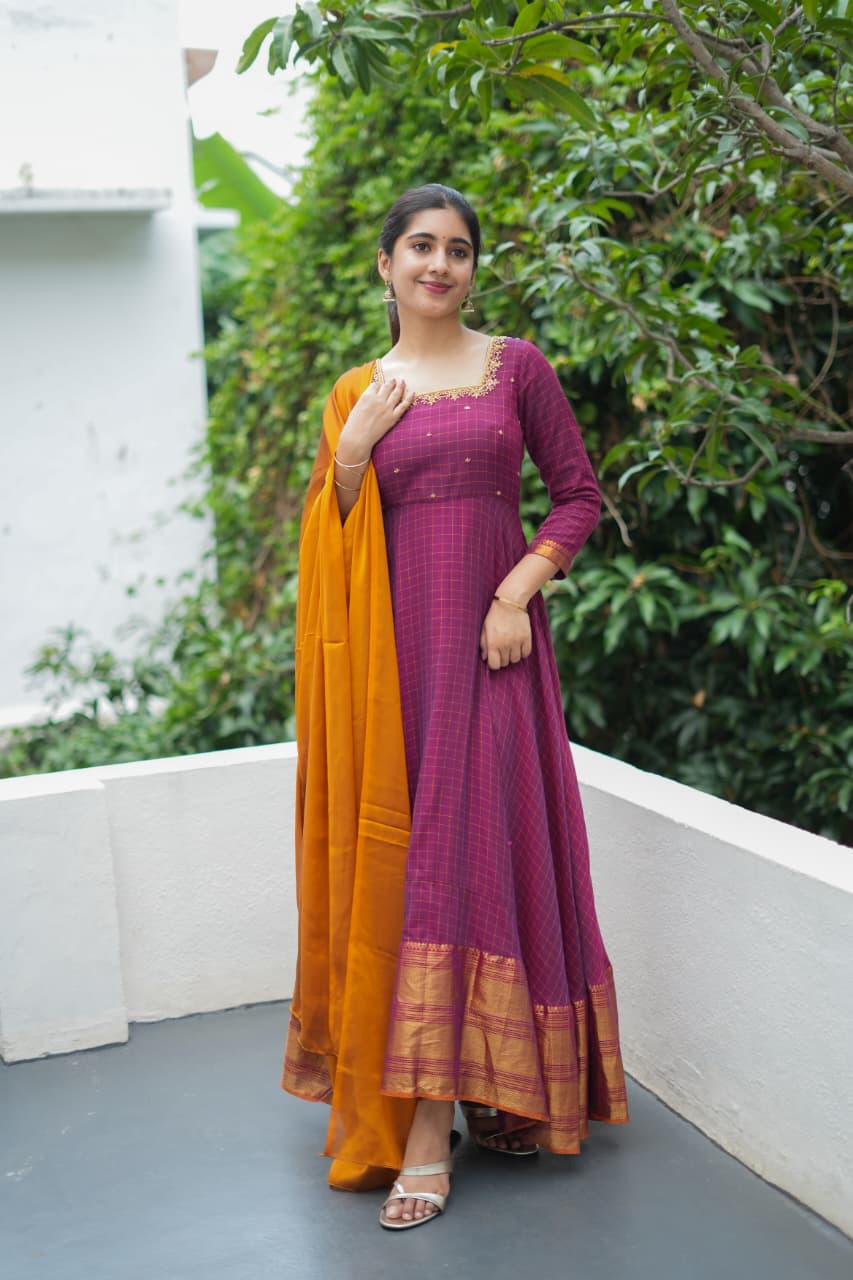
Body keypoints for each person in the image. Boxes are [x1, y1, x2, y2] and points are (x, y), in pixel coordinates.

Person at [282, 183, 629, 1232]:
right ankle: (439, 1111)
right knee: (421, 866)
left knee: (478, 856)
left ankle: (466, 1109)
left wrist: (514, 594)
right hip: (392, 670)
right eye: (421, 246)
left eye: (459, 249)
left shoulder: (514, 367)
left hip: (493, 653)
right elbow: (333, 532)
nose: (440, 264)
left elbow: (577, 493)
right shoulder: (358, 391)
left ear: (473, 267)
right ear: (385, 265)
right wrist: (352, 452)